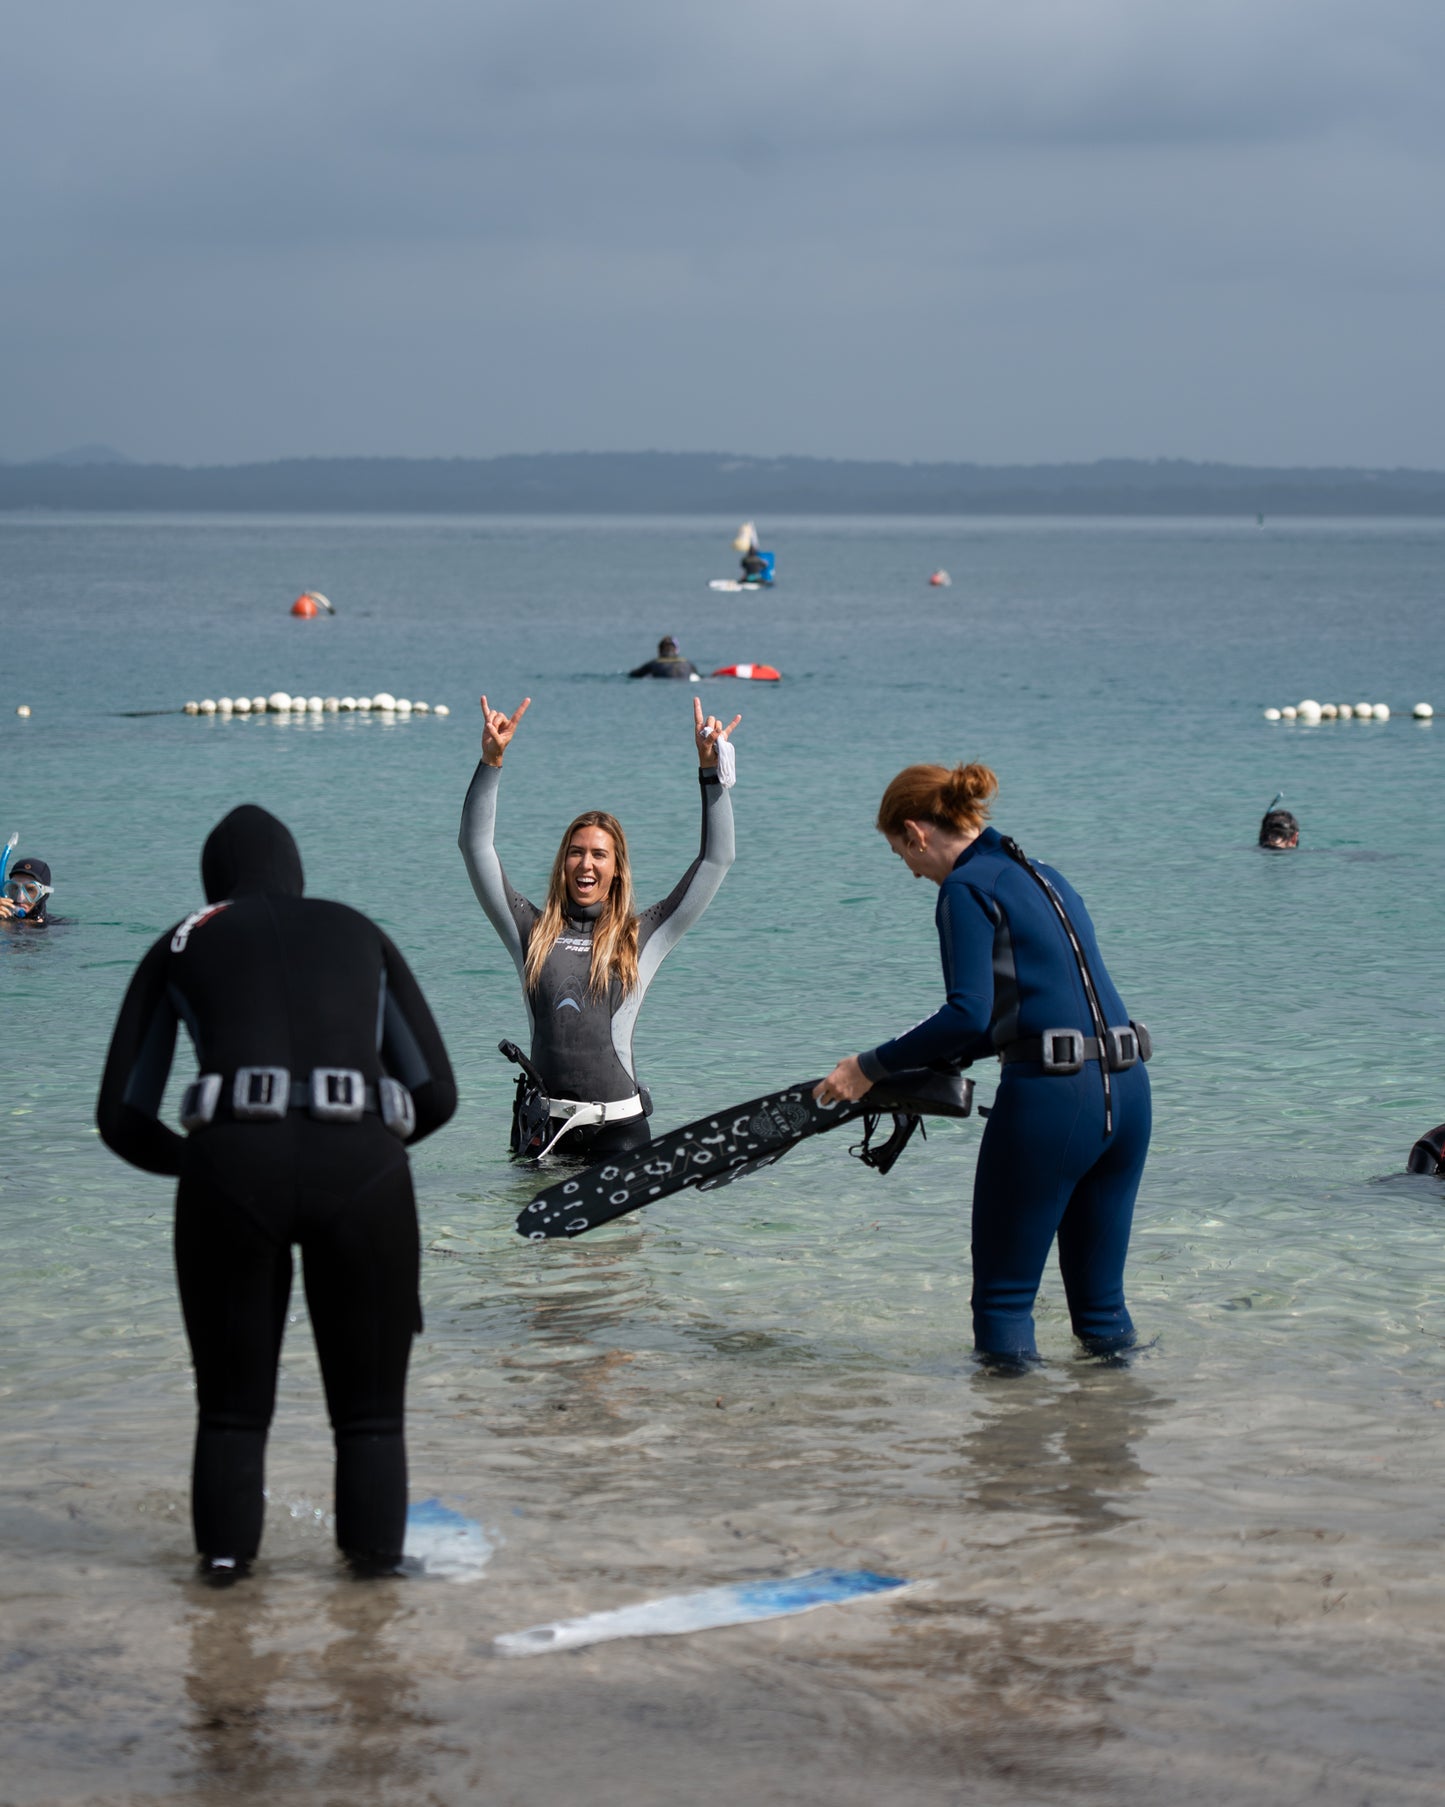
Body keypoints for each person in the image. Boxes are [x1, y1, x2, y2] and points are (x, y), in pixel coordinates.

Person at [96, 804, 456, 1583]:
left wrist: (204, 1165)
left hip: (231, 1169)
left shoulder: (183, 938)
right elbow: (437, 1096)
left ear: (211, 877)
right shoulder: (360, 930)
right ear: (296, 873)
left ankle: (223, 1603)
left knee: (230, 1414)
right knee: (369, 1421)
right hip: (363, 1168)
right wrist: (361, 1155)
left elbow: (121, 1116)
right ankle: (372, 1610)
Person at [815, 762, 1151, 1363]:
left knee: (1003, 1301)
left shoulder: (965, 888)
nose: (912, 872)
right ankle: (1112, 1440)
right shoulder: (1043, 875)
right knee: (1101, 1306)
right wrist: (909, 1065)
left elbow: (968, 1014)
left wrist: (868, 1066)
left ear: (917, 833)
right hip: (1127, 1095)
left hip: (1053, 1104)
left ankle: (1006, 1452)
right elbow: (1030, 1009)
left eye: (902, 855)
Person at [459, 693, 740, 1158]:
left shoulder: (642, 934)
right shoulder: (531, 930)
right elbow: (475, 848)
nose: (585, 864)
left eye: (598, 854)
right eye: (576, 851)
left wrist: (711, 773)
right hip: (543, 1135)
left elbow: (716, 860)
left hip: (620, 1134)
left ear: (616, 870)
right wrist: (491, 762)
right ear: (562, 863)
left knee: (621, 1238)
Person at [0, 856, 53, 923]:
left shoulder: (59, 926)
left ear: (44, 894)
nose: (19, 898)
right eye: (15, 888)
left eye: (30, 890)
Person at [630, 635, 699, 681]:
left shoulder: (653, 664)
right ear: (676, 650)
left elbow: (633, 675)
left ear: (659, 650)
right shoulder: (688, 664)